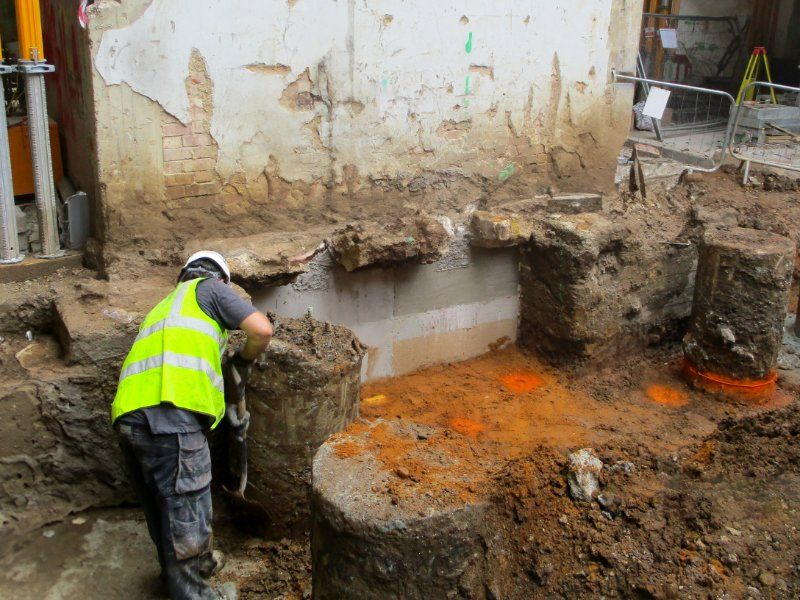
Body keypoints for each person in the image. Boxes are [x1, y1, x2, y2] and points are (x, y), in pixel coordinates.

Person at [111, 251, 273, 600]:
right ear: (222, 280)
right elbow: (261, 330)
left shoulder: (163, 308)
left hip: (128, 417)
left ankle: (178, 577)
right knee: (187, 516)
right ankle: (195, 593)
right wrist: (244, 360)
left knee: (161, 510)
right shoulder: (211, 289)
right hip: (171, 417)